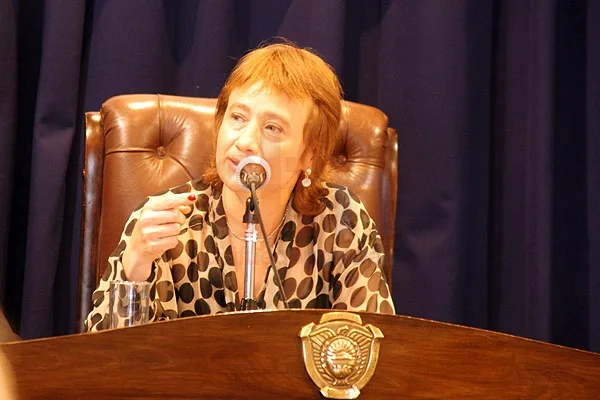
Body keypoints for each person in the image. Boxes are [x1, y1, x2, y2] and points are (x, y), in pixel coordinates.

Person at [85, 40, 395, 332]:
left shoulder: (342, 220)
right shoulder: (168, 221)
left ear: (310, 153)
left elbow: (373, 348)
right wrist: (136, 265)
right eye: (237, 117)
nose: (245, 141)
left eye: (272, 127)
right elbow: (108, 362)